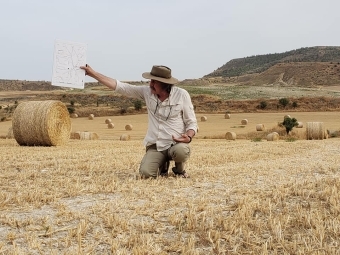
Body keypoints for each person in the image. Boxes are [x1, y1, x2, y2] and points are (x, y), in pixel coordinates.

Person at [80, 64, 198, 178]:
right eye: (150, 80)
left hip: (175, 144)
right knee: (146, 174)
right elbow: (121, 87)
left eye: (154, 81)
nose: (150, 84)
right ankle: (163, 164)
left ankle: (179, 170)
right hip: (156, 145)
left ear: (164, 84)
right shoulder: (146, 92)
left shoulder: (182, 95)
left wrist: (189, 136)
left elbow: (191, 122)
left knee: (181, 151)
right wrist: (93, 74)